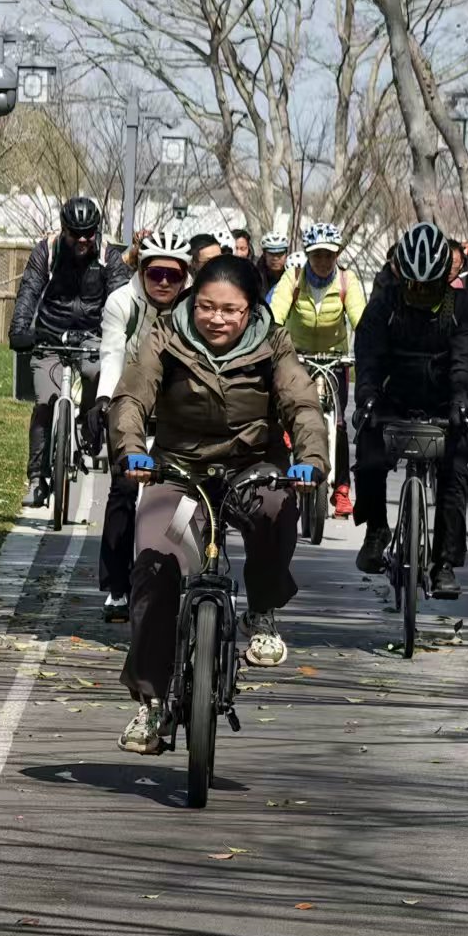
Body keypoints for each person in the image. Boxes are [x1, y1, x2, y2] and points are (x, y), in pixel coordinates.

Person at [108, 255, 327, 751]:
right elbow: (132, 398)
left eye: (230, 310)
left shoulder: (274, 343)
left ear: (250, 309)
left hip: (252, 467)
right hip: (178, 471)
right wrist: (132, 450)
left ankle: (262, 612)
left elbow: (301, 403)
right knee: (156, 565)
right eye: (206, 307)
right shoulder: (166, 335)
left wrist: (311, 459)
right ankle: (151, 703)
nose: (217, 319)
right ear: (193, 302)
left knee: (275, 508)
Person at [352, 222, 468, 599]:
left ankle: (444, 563)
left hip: (444, 401)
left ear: (444, 278)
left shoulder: (463, 307)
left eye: (429, 285)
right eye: (413, 284)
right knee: (368, 446)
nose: (420, 292)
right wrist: (367, 396)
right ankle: (376, 531)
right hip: (394, 399)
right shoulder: (384, 304)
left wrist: (461, 399)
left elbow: (465, 359)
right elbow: (369, 356)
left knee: (457, 468)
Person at [89, 227, 190, 623]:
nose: (164, 282)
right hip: (130, 400)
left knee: (188, 493)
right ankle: (117, 587)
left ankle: (179, 571)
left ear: (185, 276)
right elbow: (112, 353)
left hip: (179, 409)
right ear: (141, 270)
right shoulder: (121, 302)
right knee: (124, 488)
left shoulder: (196, 307)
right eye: (155, 273)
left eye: (173, 275)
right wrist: (104, 400)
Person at [8, 197, 128, 508]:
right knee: (44, 403)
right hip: (49, 336)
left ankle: (90, 426)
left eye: (89, 233)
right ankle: (37, 479)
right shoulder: (47, 251)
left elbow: (121, 298)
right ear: (64, 230)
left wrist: (119, 337)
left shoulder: (109, 257)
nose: (83, 240)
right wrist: (20, 330)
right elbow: (29, 290)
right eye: (76, 234)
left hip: (92, 336)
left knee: (96, 376)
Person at [269, 222, 366, 516]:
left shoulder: (348, 281)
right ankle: (285, 474)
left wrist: (369, 349)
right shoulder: (293, 278)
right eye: (316, 255)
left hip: (335, 359)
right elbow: (276, 314)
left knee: (338, 423)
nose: (323, 261)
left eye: (329, 255)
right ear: (308, 255)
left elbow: (361, 320)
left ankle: (342, 489)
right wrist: (272, 341)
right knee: (288, 412)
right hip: (297, 356)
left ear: (337, 255)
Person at [256, 232, 290, 298]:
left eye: (280, 254)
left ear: (286, 254)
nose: (275, 258)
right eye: (271, 254)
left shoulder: (293, 273)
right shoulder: (255, 275)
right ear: (264, 254)